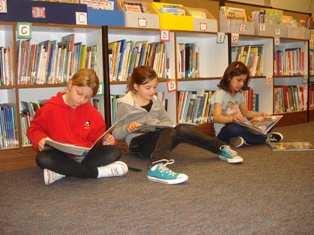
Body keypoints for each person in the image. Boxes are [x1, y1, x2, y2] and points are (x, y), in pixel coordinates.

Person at [112, 66, 243, 185]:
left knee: (178, 128)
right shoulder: (125, 104)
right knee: (168, 132)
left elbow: (168, 122)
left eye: (155, 87)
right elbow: (116, 133)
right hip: (138, 143)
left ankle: (220, 148)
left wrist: (160, 125)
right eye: (148, 88)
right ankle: (156, 166)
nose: (153, 91)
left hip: (159, 138)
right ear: (135, 86)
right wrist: (128, 127)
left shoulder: (155, 101)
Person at [27, 69, 128, 185]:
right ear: (70, 85)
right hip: (60, 156)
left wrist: (108, 139)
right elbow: (34, 129)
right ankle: (99, 172)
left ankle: (61, 172)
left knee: (114, 151)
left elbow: (99, 136)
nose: (81, 100)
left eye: (87, 98)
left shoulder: (92, 112)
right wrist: (40, 139)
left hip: (84, 156)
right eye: (79, 93)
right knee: (43, 159)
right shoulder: (50, 107)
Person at [211, 61, 283, 147]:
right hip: (224, 131)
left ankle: (241, 139)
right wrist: (232, 119)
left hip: (240, 126)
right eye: (239, 80)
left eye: (244, 81)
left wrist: (261, 114)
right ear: (230, 77)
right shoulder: (220, 94)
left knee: (269, 124)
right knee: (234, 128)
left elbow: (246, 113)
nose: (241, 84)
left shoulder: (239, 94)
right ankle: (263, 139)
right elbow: (217, 118)